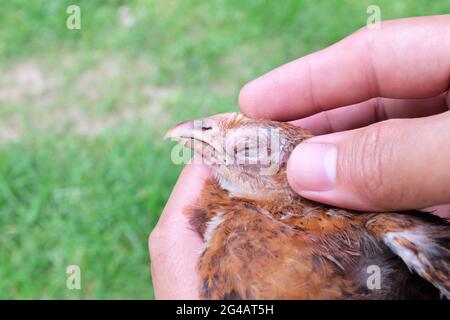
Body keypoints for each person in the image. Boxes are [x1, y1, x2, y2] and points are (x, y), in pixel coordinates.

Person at [149, 15, 450, 299]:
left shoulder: (398, 238)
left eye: (250, 150)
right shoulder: (229, 227)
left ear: (291, 177)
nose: (202, 129)